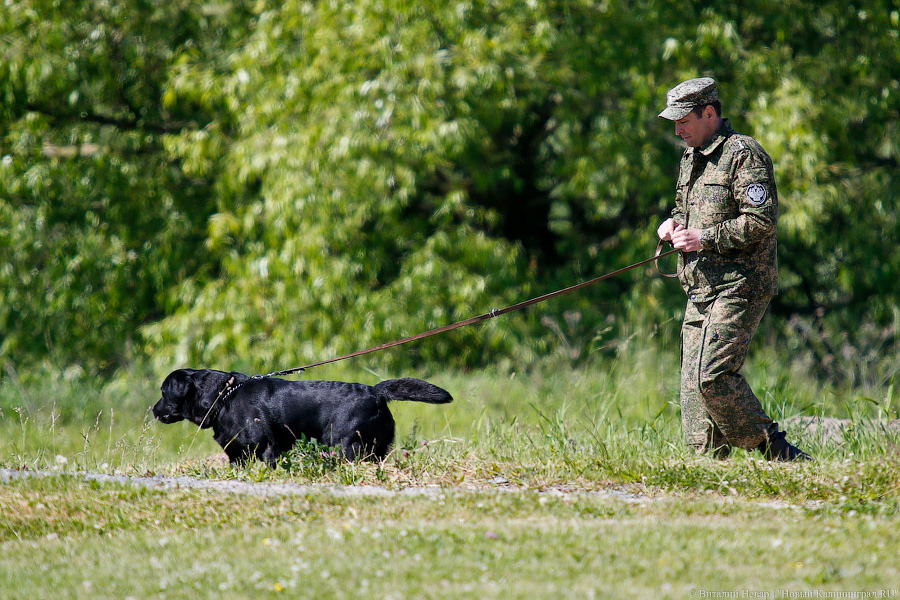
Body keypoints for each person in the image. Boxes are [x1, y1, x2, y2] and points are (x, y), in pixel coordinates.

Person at [656, 77, 811, 461]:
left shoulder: (744, 154)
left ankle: (776, 449)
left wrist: (703, 238)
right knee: (692, 389)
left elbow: (761, 220)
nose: (677, 130)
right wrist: (672, 225)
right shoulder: (690, 157)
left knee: (713, 376)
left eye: (683, 121)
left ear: (709, 113)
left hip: (739, 285)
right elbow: (685, 209)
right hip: (700, 286)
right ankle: (709, 470)